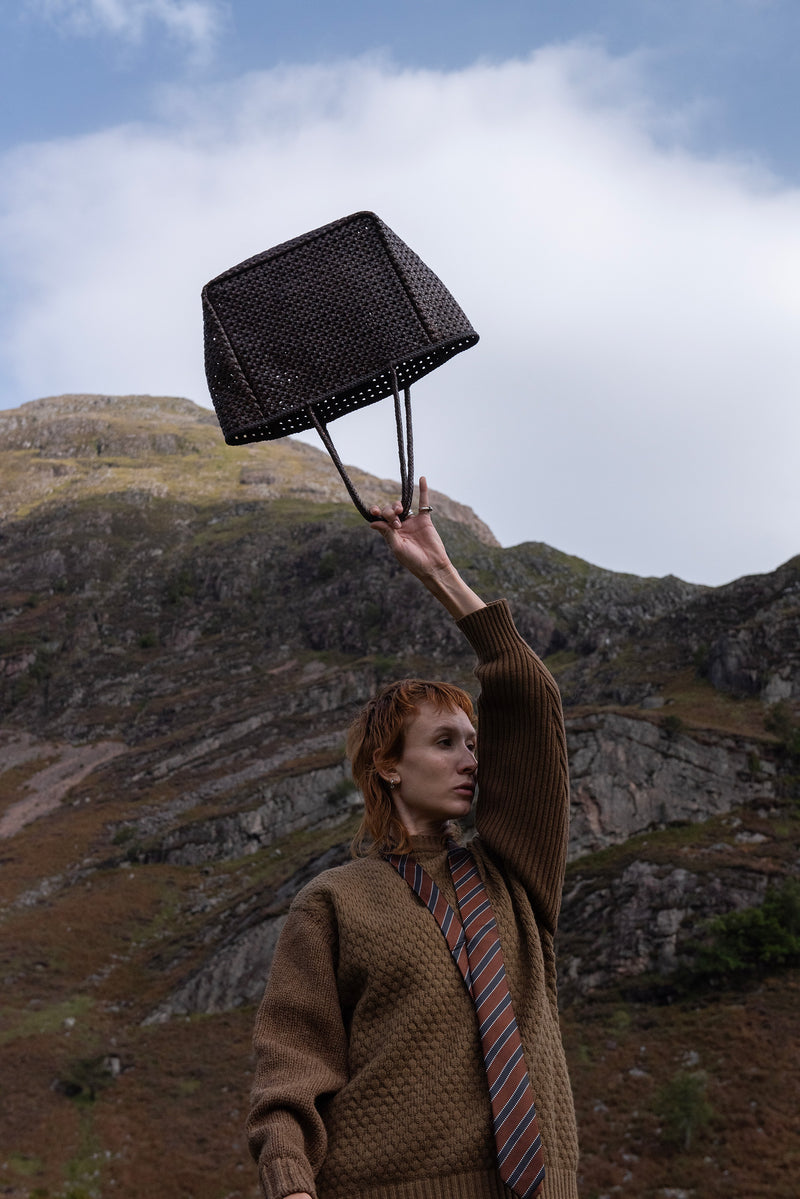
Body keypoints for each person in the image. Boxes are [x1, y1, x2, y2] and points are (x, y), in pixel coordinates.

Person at [247, 478, 579, 1199]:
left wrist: (440, 574)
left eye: (474, 741)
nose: (472, 757)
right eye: (446, 741)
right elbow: (290, 1068)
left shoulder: (515, 876)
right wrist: (289, 1182)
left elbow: (533, 697)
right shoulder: (334, 902)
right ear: (390, 765)